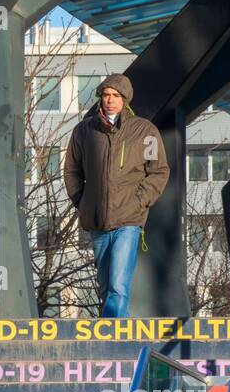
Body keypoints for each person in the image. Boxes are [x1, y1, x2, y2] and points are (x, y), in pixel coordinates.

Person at [63, 72, 170, 318]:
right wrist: (82, 201)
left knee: (118, 284)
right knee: (104, 284)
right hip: (97, 220)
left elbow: (158, 171)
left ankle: (114, 336)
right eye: (106, 95)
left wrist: (139, 202)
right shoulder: (84, 131)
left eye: (115, 95)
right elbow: (71, 170)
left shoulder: (145, 131)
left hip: (129, 221)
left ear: (125, 99)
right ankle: (109, 330)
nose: (110, 99)